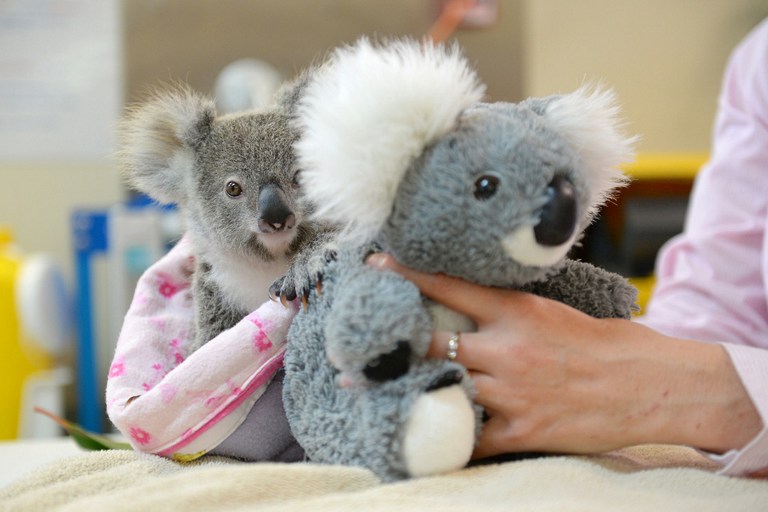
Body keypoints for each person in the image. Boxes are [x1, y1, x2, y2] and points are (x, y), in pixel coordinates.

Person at [366, 17, 768, 477]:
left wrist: (689, 390)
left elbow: (669, 369)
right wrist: (562, 356)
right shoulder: (760, 60)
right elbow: (719, 306)